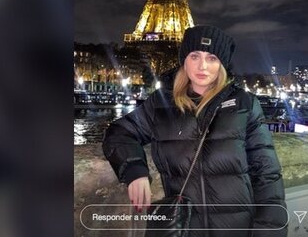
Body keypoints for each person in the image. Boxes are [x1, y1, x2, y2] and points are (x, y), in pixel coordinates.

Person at [103, 25, 288, 236]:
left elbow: (267, 176)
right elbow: (118, 132)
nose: (202, 66)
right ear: (184, 60)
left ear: (222, 64)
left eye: (212, 58)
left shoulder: (244, 104)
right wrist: (135, 171)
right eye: (194, 56)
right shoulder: (161, 103)